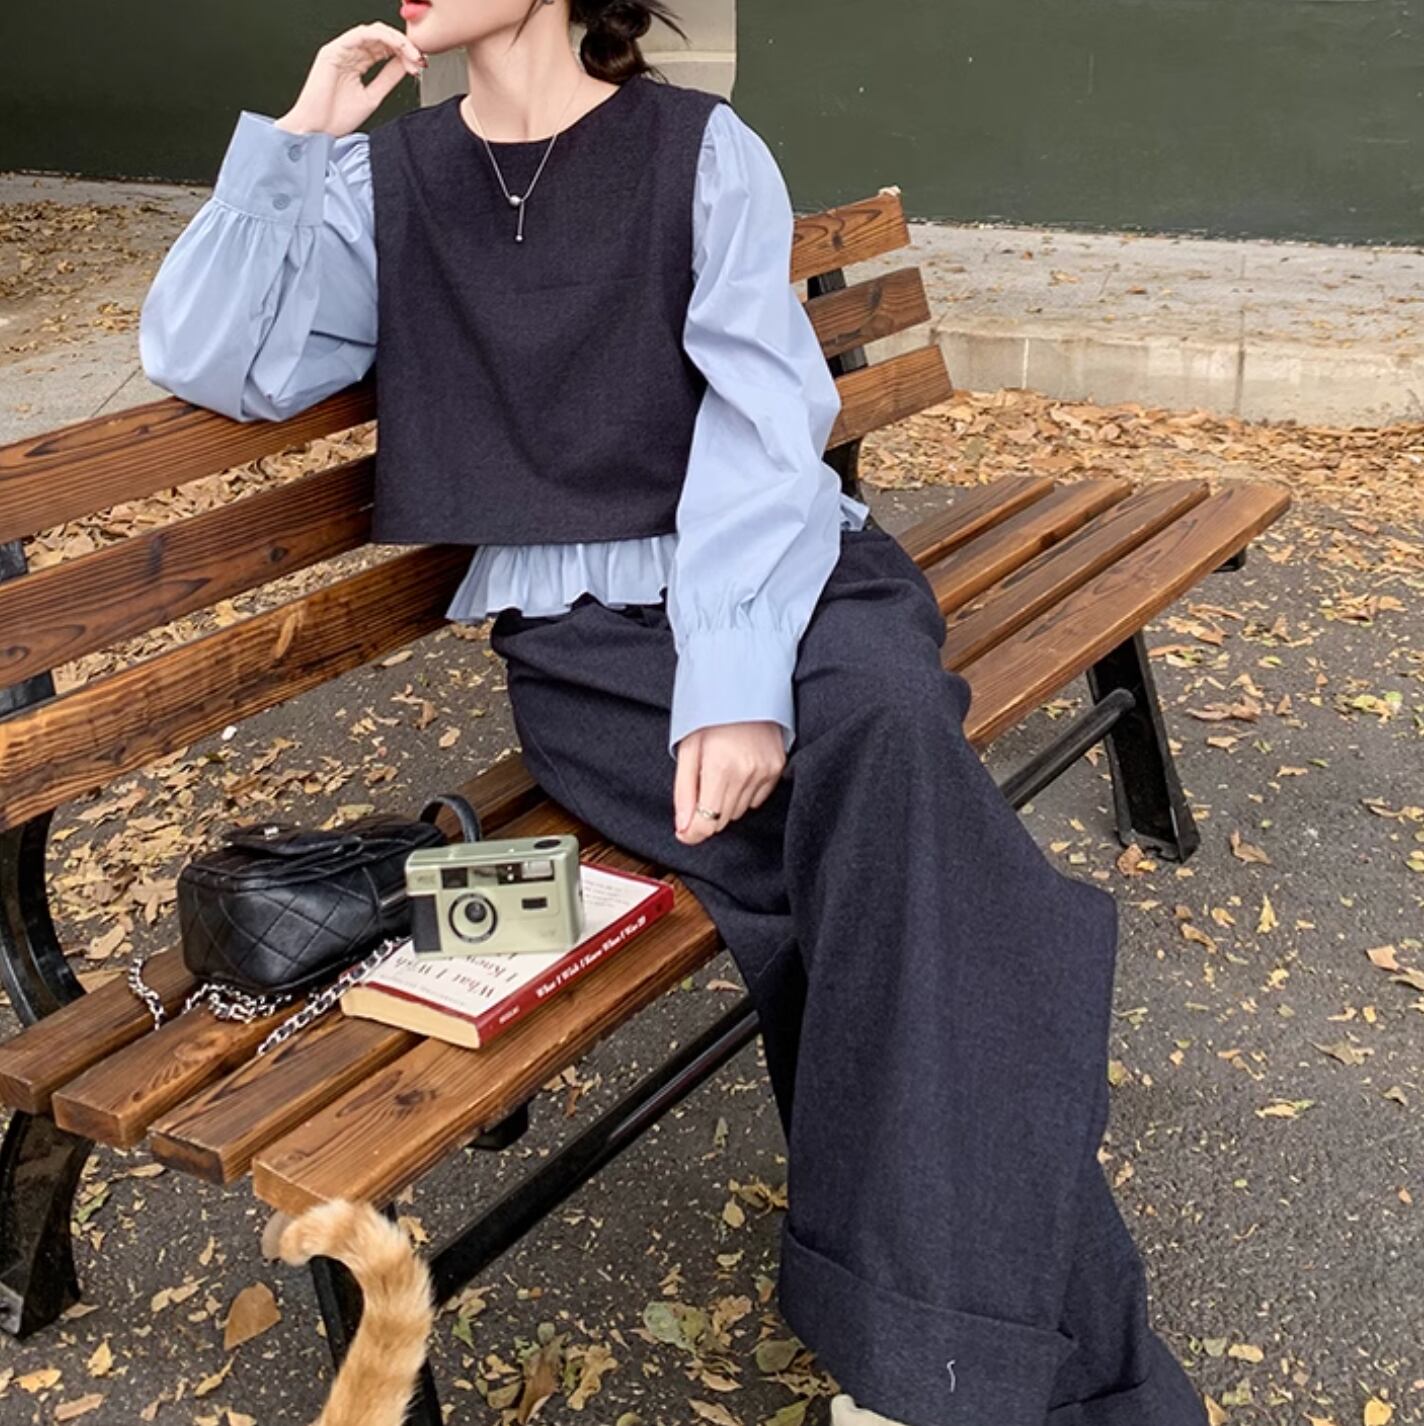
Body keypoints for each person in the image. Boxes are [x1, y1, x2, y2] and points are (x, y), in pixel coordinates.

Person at [138, 5, 1211, 1424]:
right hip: (587, 646)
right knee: (909, 882)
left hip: (787, 581)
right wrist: (296, 140)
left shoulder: (701, 152)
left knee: (888, 758)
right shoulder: (376, 184)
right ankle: (989, 1380)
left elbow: (764, 427)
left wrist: (734, 679)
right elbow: (212, 357)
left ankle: (923, 1383)